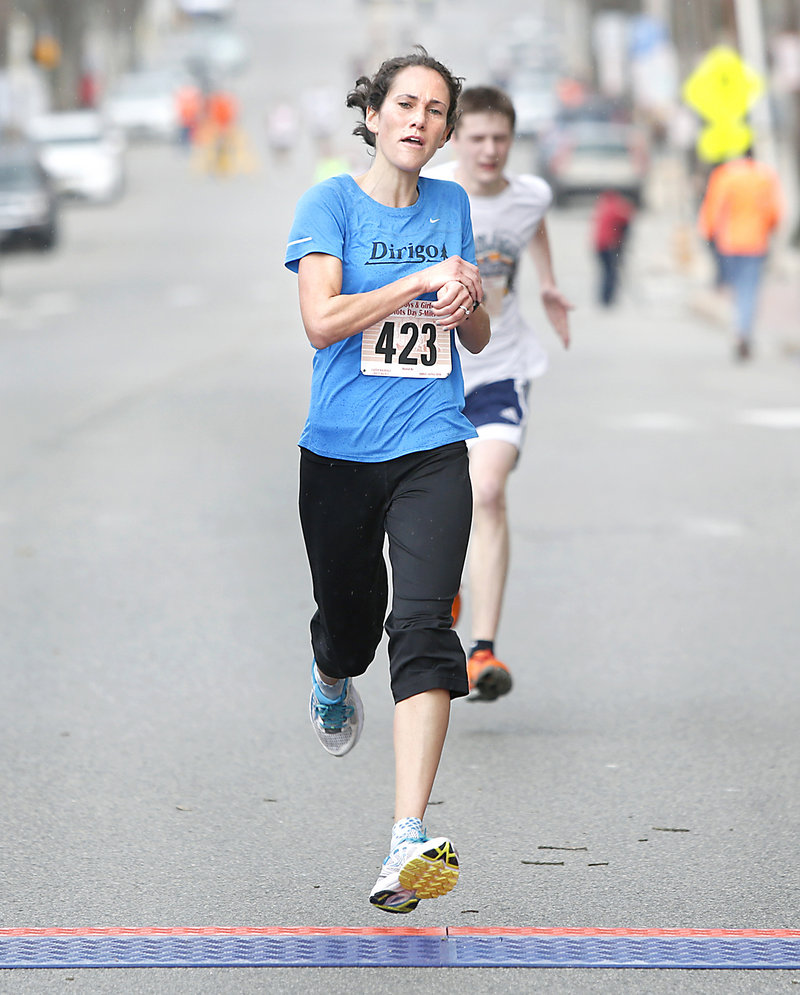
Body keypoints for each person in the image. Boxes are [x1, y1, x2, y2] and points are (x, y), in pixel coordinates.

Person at [284, 48, 490, 913]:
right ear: (372, 115)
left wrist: (470, 293)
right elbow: (321, 321)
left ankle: (409, 836)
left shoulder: (452, 205)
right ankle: (331, 675)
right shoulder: (328, 202)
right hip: (338, 454)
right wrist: (414, 280)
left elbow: (474, 338)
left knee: (424, 626)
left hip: (433, 445)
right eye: (404, 104)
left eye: (435, 110)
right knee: (353, 628)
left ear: (445, 131)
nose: (418, 120)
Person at [426, 86, 572, 701]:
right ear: (457, 139)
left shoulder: (530, 193)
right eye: (478, 138)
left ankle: (481, 651)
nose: (489, 150)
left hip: (503, 368)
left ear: (512, 140)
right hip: (433, 374)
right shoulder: (430, 192)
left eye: (500, 139)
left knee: (487, 490)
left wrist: (548, 284)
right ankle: (450, 583)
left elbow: (531, 226)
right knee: (442, 502)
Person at [698, 149, 783, 361]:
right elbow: (773, 211)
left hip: (729, 242)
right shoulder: (765, 176)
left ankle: (738, 329)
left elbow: (713, 208)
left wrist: (708, 233)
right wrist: (770, 228)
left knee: (735, 288)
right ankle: (743, 331)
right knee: (749, 289)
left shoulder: (725, 175)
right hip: (756, 242)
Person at [591, 188, 636, 306]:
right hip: (608, 245)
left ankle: (605, 297)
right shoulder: (615, 208)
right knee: (610, 272)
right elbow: (627, 217)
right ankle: (607, 298)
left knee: (606, 271)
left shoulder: (602, 207)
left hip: (599, 245)